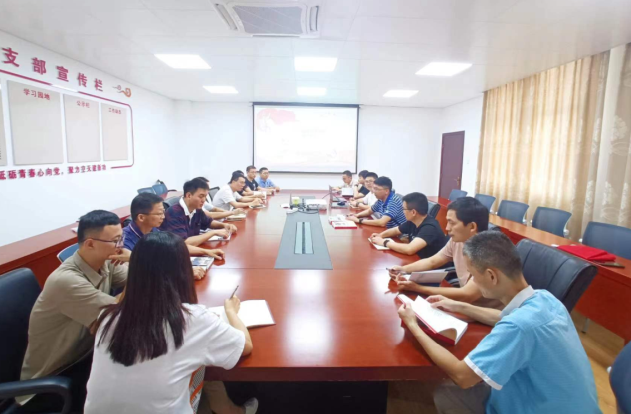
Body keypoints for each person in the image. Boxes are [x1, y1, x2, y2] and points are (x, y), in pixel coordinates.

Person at [397, 231, 601, 414]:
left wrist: (413, 325)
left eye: (473, 275)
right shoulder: (545, 298)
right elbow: (501, 317)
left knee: (447, 394)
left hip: (540, 407)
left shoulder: (518, 327)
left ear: (491, 276)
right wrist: (457, 305)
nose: (472, 280)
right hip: (574, 405)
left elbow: (462, 376)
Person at [84, 232, 258, 414]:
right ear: (183, 270)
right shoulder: (194, 319)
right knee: (201, 361)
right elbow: (245, 346)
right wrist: (231, 311)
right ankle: (229, 410)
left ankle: (221, 407)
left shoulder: (108, 316)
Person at [19, 210, 129, 411]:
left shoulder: (106, 262)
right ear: (90, 244)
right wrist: (139, 264)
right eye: (115, 241)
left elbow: (136, 284)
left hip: (86, 356)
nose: (121, 246)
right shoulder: (66, 281)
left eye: (121, 238)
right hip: (54, 381)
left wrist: (137, 268)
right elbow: (119, 315)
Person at [389, 197, 502, 309]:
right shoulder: (456, 240)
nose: (447, 228)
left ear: (472, 227)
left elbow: (467, 295)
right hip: (464, 305)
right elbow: (433, 261)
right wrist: (403, 269)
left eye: (452, 223)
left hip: (483, 312)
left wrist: (417, 288)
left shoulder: (488, 253)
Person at [123, 193, 206, 280]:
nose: (163, 217)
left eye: (163, 212)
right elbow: (141, 273)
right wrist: (184, 273)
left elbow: (173, 247)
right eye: (159, 213)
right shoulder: (124, 240)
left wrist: (206, 251)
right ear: (141, 217)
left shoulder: (153, 229)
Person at [161, 178, 237, 261]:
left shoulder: (196, 208)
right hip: (174, 257)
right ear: (189, 195)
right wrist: (213, 233)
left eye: (205, 196)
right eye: (201, 196)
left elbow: (209, 222)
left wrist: (225, 225)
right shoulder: (174, 213)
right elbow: (183, 244)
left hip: (192, 251)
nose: (204, 200)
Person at [369, 192, 448, 259]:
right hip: (417, 259)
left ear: (413, 212)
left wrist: (384, 242)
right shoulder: (413, 221)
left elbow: (409, 249)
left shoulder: (430, 228)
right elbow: (395, 230)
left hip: (432, 268)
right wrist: (380, 235)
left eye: (403, 209)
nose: (402, 211)